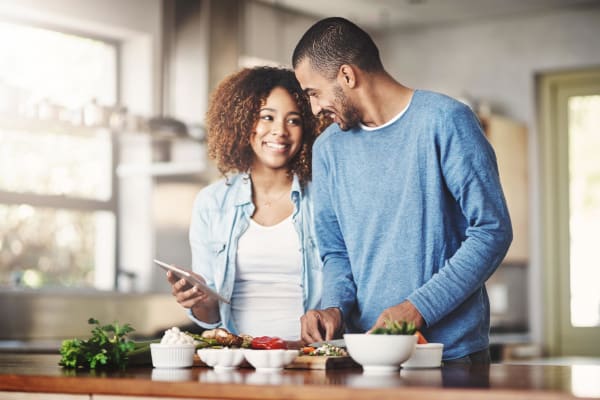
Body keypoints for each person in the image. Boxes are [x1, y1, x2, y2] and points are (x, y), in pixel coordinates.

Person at [292, 17, 512, 363]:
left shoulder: (446, 121)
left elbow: (492, 230)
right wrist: (333, 306)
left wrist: (418, 308)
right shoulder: (328, 149)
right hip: (365, 354)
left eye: (314, 93)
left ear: (347, 76)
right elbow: (336, 252)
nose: (315, 108)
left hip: (449, 355)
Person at [166, 66, 323, 342]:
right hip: (238, 360)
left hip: (308, 358)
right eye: (267, 117)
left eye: (294, 120)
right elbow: (210, 318)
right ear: (242, 121)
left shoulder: (324, 199)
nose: (279, 131)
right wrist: (197, 298)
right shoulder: (211, 203)